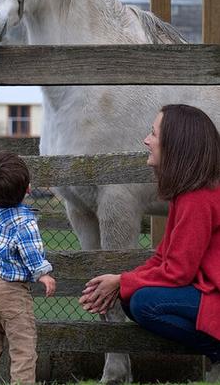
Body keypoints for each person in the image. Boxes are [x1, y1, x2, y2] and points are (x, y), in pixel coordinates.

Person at [79, 104, 220, 378]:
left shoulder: (198, 198)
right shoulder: (188, 192)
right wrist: (121, 281)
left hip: (214, 295)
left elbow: (178, 271)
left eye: (153, 134)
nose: (146, 140)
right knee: (133, 299)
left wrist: (121, 281)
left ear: (175, 145)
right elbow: (162, 258)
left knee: (145, 303)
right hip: (206, 292)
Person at [0, 151, 56, 384]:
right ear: (28, 188)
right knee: (23, 346)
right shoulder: (25, 221)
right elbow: (30, 250)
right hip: (10, 290)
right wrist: (44, 274)